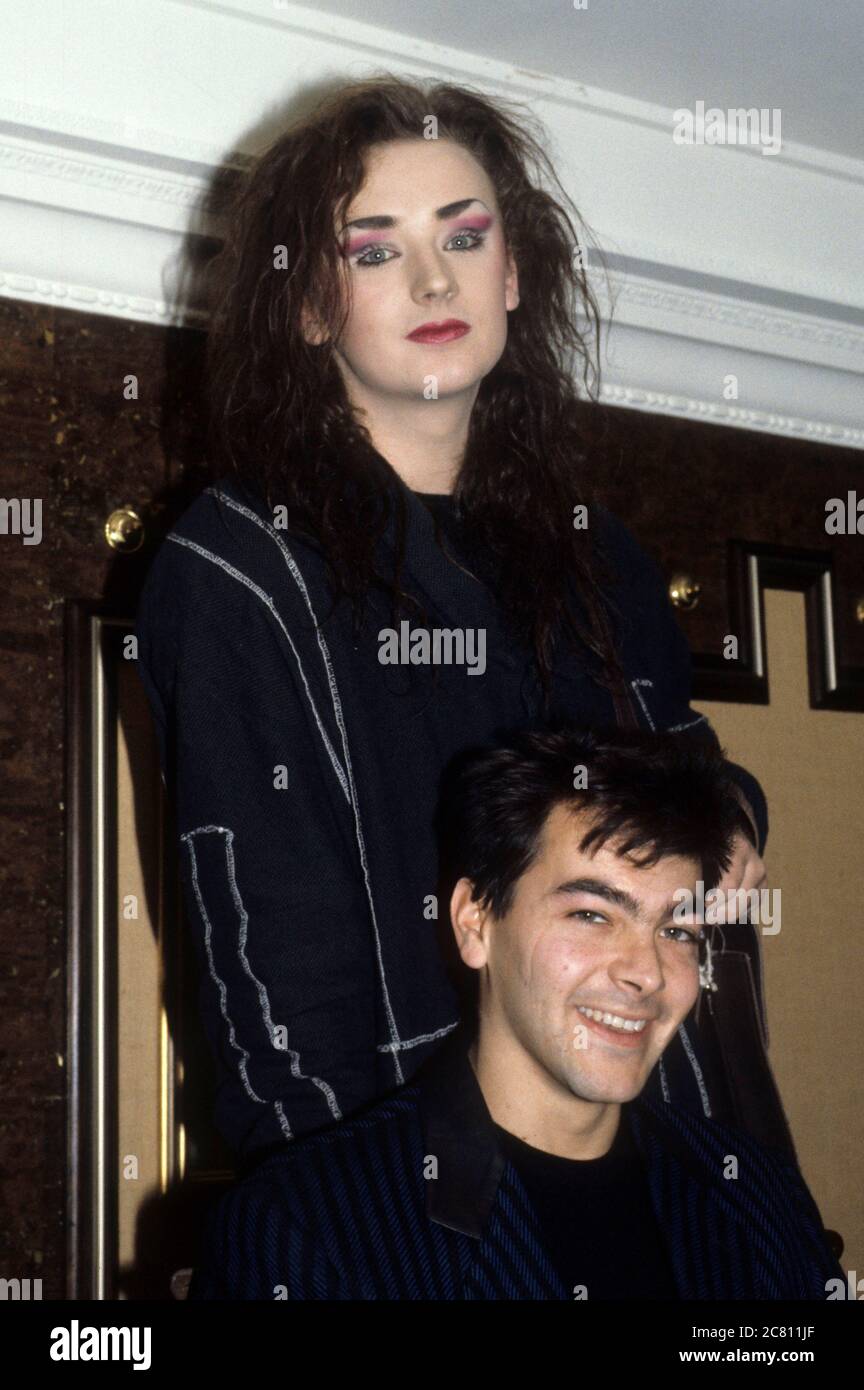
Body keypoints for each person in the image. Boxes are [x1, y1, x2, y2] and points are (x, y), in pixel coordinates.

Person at [135, 74, 769, 1165]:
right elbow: (270, 958)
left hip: (670, 1170)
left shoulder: (601, 559)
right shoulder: (240, 563)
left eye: (466, 237)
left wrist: (739, 821)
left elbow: (694, 782)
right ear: (307, 303)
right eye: (373, 249)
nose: (434, 275)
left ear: (514, 273)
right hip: (413, 1195)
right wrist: (344, 1225)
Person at [186, 726, 841, 1300]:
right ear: (476, 923)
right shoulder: (308, 1226)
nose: (645, 972)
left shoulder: (755, 1195)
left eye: (677, 930)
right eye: (592, 915)